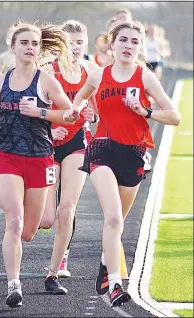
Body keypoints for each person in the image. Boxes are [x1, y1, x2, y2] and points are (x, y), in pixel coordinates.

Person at [71, 21, 180, 306]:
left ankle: (105, 263)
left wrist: (146, 111)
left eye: (134, 41)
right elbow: (81, 97)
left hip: (134, 152)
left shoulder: (145, 77)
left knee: (117, 223)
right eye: (123, 40)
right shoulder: (98, 74)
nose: (129, 46)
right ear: (112, 44)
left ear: (140, 47)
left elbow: (174, 116)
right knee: (114, 217)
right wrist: (79, 109)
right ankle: (117, 285)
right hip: (103, 148)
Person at [0, 20, 82, 308]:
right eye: (24, 42)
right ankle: (14, 285)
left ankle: (21, 247)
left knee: (33, 229)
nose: (30, 47)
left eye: (35, 43)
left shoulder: (47, 81)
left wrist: (40, 112)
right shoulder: (0, 81)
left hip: (39, 157)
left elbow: (68, 114)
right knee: (14, 221)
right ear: (13, 47)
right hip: (7, 156)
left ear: (39, 49)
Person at [38, 19, 98, 293]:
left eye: (80, 44)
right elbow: (34, 113)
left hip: (77, 142)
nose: (76, 48)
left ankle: (55, 270)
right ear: (61, 45)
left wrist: (91, 116)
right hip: (49, 145)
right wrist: (51, 130)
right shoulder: (47, 73)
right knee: (47, 218)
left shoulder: (89, 73)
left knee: (66, 209)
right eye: (71, 43)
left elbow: (96, 113)